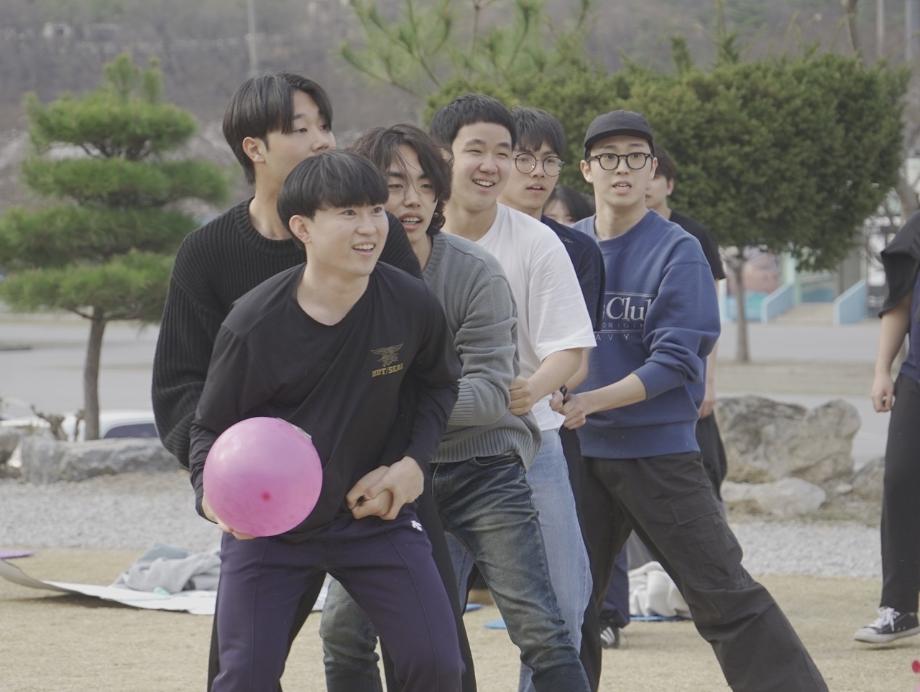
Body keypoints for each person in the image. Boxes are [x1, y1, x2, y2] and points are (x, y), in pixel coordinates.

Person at [151, 72, 475, 690]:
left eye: (375, 211)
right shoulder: (241, 306)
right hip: (269, 515)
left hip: (373, 503)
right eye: (302, 129)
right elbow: (196, 409)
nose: (369, 228)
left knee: (439, 660)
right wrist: (218, 494)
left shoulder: (399, 289)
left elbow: (431, 378)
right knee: (242, 672)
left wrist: (411, 465)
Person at [562, 108, 827, 691]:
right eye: (608, 157)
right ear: (586, 169)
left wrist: (591, 401)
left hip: (658, 454)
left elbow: (677, 361)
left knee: (724, 596)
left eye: (635, 157)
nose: (622, 168)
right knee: (565, 611)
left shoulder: (678, 250)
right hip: (577, 455)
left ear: (653, 169)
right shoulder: (565, 246)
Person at [319, 123, 591, 692]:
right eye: (394, 185)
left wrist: (385, 410)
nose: (412, 200)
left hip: (482, 465)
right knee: (343, 631)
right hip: (381, 473)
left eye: (425, 185)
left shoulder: (474, 272)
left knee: (541, 628)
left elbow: (491, 395)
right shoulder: (340, 276)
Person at [430, 94, 597, 692]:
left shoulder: (536, 241)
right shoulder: (406, 238)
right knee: (422, 615)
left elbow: (570, 350)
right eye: (476, 150)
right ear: (442, 156)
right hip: (428, 447)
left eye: (504, 153)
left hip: (524, 444)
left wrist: (531, 389)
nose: (491, 165)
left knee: (561, 607)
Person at [496, 105, 607, 686]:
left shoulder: (573, 250)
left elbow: (574, 351)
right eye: (524, 158)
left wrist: (548, 390)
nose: (537, 172)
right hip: (458, 434)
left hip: (542, 427)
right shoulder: (449, 239)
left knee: (566, 595)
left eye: (548, 161)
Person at [854, 210, 920, 644]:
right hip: (916, 378)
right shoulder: (917, 229)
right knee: (900, 482)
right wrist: (882, 369)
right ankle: (899, 608)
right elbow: (899, 303)